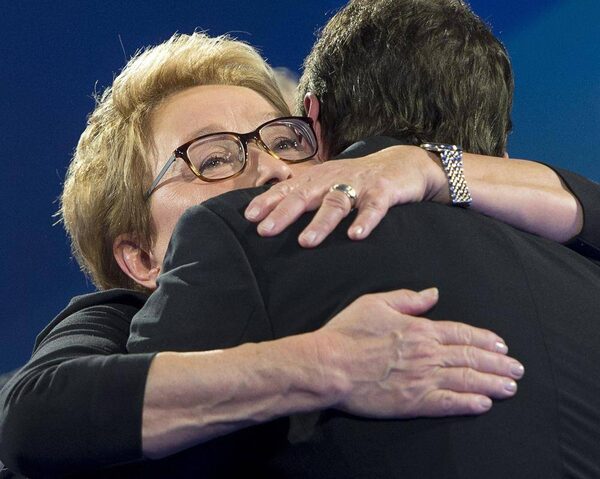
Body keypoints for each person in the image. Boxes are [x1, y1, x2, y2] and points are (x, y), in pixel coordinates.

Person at [1, 10, 598, 477]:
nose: (272, 168)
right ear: (139, 256)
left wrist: (430, 166)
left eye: (285, 141)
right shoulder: (117, 322)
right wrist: (324, 365)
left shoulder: (367, 234)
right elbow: (32, 421)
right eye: (214, 159)